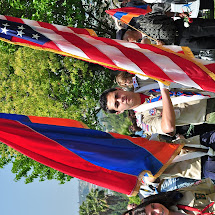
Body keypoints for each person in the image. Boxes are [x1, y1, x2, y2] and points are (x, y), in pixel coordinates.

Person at [99, 85, 215, 135]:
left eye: (116, 95)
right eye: (117, 104)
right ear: (119, 111)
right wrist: (164, 92)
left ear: (119, 89)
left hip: (205, 87)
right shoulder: (144, 121)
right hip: (206, 110)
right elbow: (168, 127)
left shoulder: (142, 83)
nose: (121, 99)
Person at [118, 5, 215, 53]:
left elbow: (161, 13)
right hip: (181, 43)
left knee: (210, 28)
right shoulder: (145, 44)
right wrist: (161, 47)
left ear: (128, 31)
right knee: (209, 44)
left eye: (127, 39)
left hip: (182, 28)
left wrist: (177, 14)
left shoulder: (142, 21)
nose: (130, 42)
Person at [123, 178, 215, 215]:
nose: (158, 210)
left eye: (153, 206)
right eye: (153, 214)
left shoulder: (178, 197)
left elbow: (209, 187)